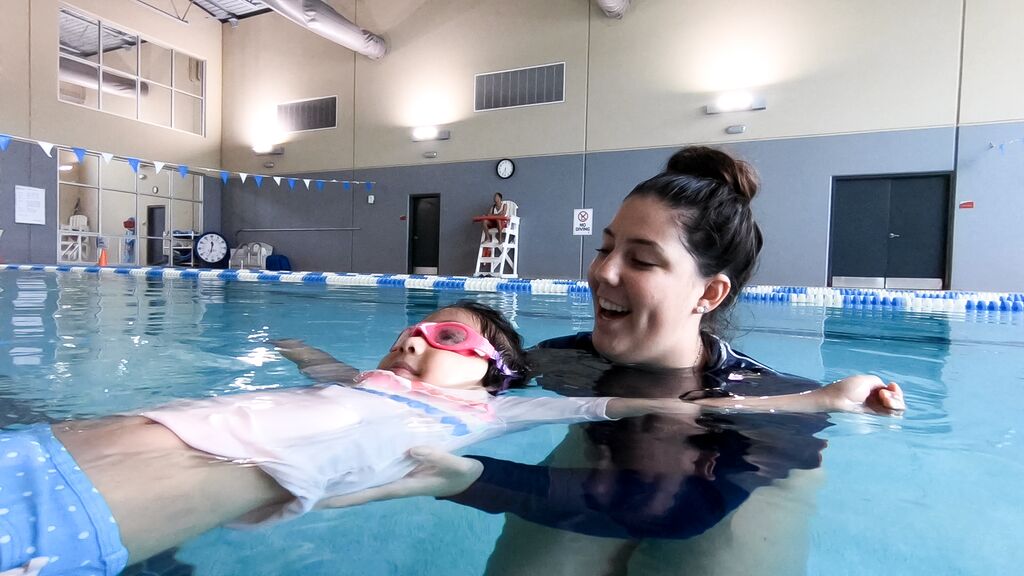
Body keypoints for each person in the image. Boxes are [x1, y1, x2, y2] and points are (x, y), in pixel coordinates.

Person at [0, 302, 900, 576]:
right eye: (419, 328)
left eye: (453, 338)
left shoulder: (498, 413)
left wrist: (828, 393)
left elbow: (630, 412)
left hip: (75, 518)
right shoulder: (372, 382)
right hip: (43, 448)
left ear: (494, 375)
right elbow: (331, 377)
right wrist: (292, 345)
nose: (421, 339)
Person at [349, 146, 906, 575]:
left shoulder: (767, 401)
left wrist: (469, 478)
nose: (604, 273)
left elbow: (680, 512)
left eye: (640, 259)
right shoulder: (566, 363)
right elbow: (467, 372)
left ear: (708, 295)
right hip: (608, 470)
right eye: (605, 247)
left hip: (735, 497)